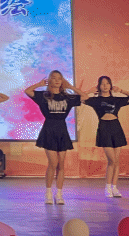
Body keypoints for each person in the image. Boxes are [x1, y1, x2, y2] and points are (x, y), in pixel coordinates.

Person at [25, 70, 86, 205]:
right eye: (54, 78)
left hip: (62, 130)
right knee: (53, 163)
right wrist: (39, 84)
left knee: (61, 164)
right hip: (49, 130)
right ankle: (48, 192)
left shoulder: (67, 97)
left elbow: (85, 97)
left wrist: (70, 87)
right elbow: (27, 91)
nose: (57, 80)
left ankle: (59, 194)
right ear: (50, 80)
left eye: (59, 78)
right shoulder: (44, 95)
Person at [83, 75, 129, 198]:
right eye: (102, 83)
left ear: (111, 85)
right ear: (99, 86)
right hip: (104, 128)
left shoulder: (116, 99)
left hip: (116, 128)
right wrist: (90, 91)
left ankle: (114, 187)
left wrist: (121, 90)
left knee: (116, 161)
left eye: (107, 83)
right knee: (112, 160)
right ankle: (107, 187)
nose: (105, 86)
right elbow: (79, 98)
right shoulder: (95, 100)